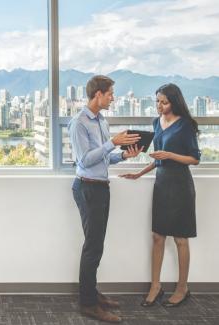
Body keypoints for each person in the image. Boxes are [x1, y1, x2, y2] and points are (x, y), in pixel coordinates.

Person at [68, 75, 143, 323]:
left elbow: (103, 158)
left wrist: (123, 155)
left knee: (97, 245)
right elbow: (84, 160)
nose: (113, 97)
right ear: (97, 94)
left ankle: (92, 292)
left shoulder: (101, 120)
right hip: (87, 188)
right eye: (110, 93)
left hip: (101, 187)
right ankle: (88, 303)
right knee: (92, 246)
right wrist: (112, 142)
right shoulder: (79, 122)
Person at [120, 83, 201, 307]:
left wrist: (170, 154)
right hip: (162, 184)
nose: (159, 106)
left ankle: (182, 288)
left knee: (180, 238)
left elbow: (194, 158)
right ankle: (155, 285)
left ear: (174, 102)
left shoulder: (186, 125)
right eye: (157, 101)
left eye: (163, 102)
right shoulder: (156, 122)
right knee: (158, 236)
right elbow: (158, 159)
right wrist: (139, 173)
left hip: (181, 185)